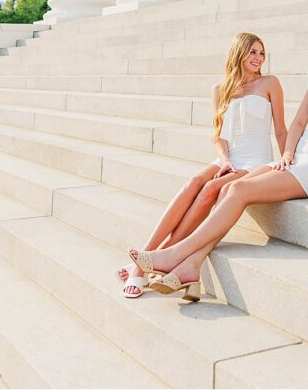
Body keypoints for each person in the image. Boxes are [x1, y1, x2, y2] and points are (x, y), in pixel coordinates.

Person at [128, 25, 308, 299]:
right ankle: (191, 266)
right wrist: (286, 154)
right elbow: (297, 122)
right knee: (226, 190)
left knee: (237, 190)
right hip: (295, 159)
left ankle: (174, 254)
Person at [119, 31, 286, 297]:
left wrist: (288, 156)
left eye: (261, 52)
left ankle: (150, 261)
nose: (258, 57)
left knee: (211, 189)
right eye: (253, 51)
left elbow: (280, 130)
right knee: (194, 183)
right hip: (231, 157)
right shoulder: (220, 90)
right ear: (239, 53)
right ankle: (148, 256)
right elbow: (218, 136)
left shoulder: (270, 83)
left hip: (257, 160)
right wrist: (226, 160)